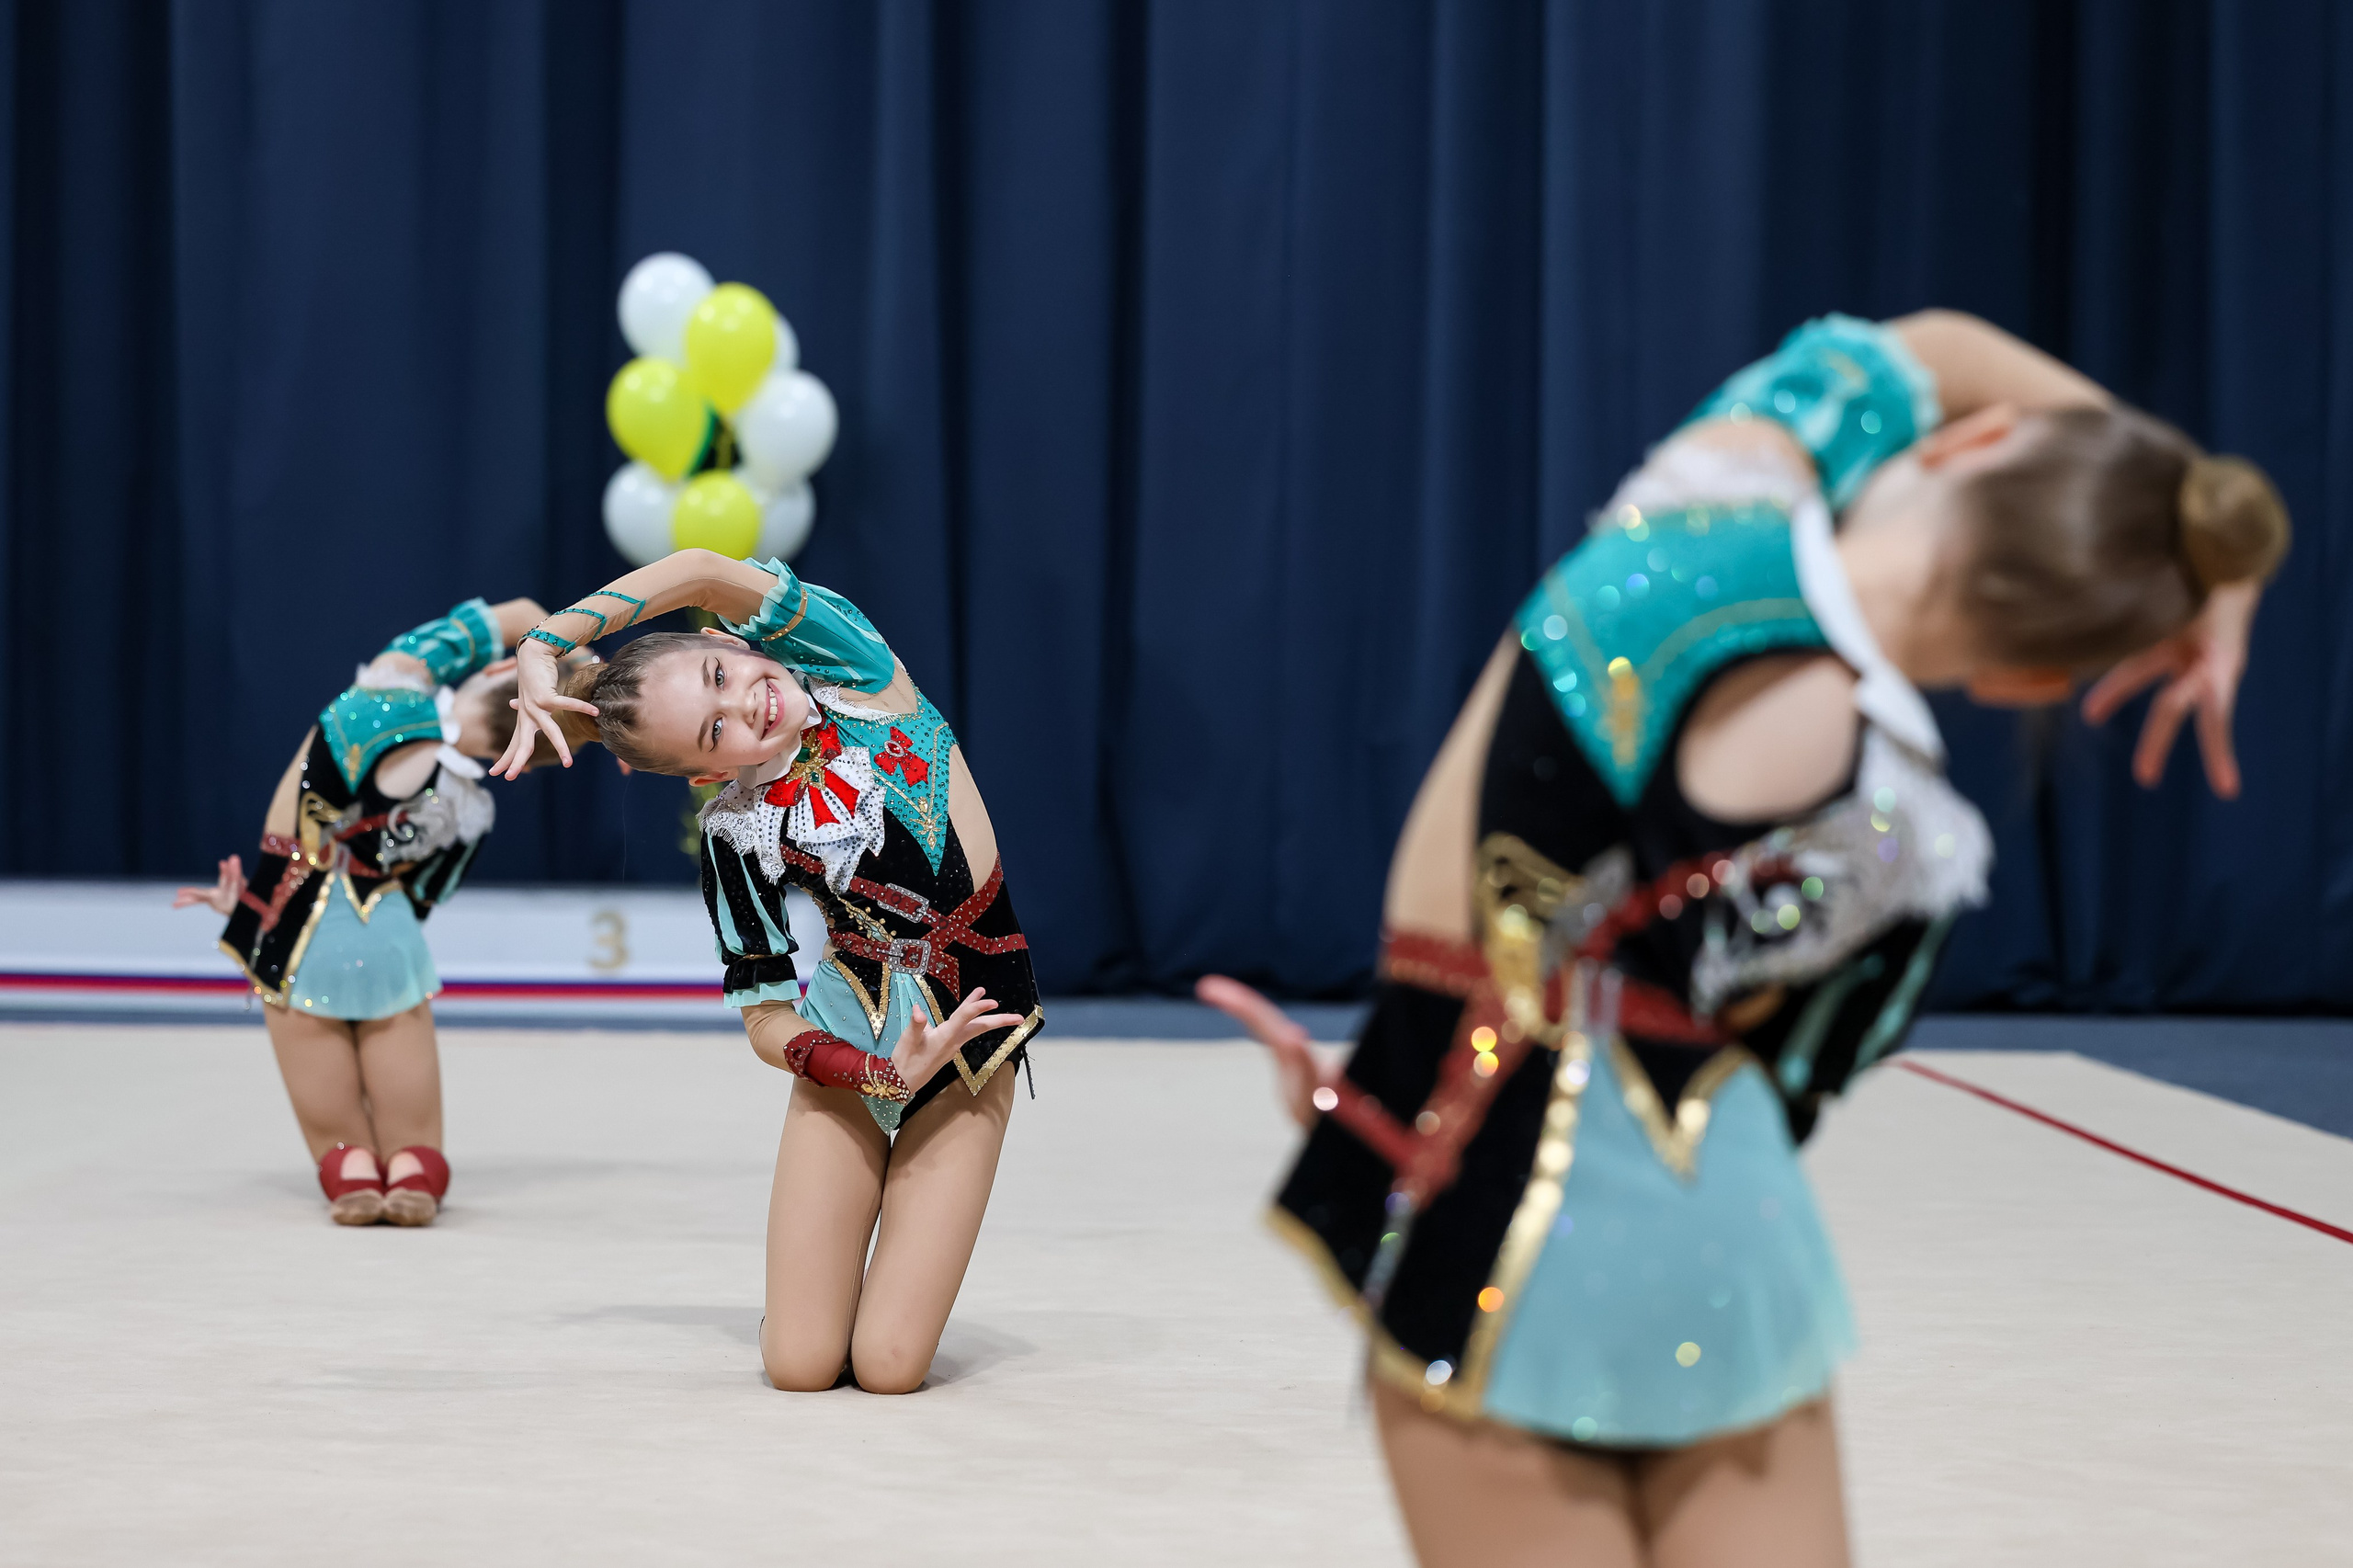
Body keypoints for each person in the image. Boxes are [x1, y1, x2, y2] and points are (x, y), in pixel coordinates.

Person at [1199, 312, 2288, 1566]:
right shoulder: (1904, 831)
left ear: (1971, 442)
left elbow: (1935, 342)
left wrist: (2191, 525)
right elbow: (1785, 1059)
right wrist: (2200, 558)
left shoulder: (1707, 493)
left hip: (1491, 1203)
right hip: (1736, 1246)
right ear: (2036, 679)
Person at [493, 552, 1041, 1395]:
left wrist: (548, 638)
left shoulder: (859, 677)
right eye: (715, 730)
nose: (743, 702)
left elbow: (705, 569)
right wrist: (874, 1070)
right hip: (851, 1046)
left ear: (727, 640)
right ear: (709, 772)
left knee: (891, 1368)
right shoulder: (735, 831)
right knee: (800, 1365)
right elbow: (763, 1015)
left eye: (721, 673)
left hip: (969, 1037)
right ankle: (809, 1295)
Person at [176, 595, 580, 1227]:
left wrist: (568, 650)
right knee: (416, 1145)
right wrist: (600, 704)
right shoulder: (470, 811)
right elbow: (422, 897)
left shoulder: (387, 695)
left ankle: (352, 1172)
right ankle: (414, 1173)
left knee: (340, 1146)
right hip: (389, 936)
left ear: (505, 673)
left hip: (290, 927)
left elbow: (516, 612)